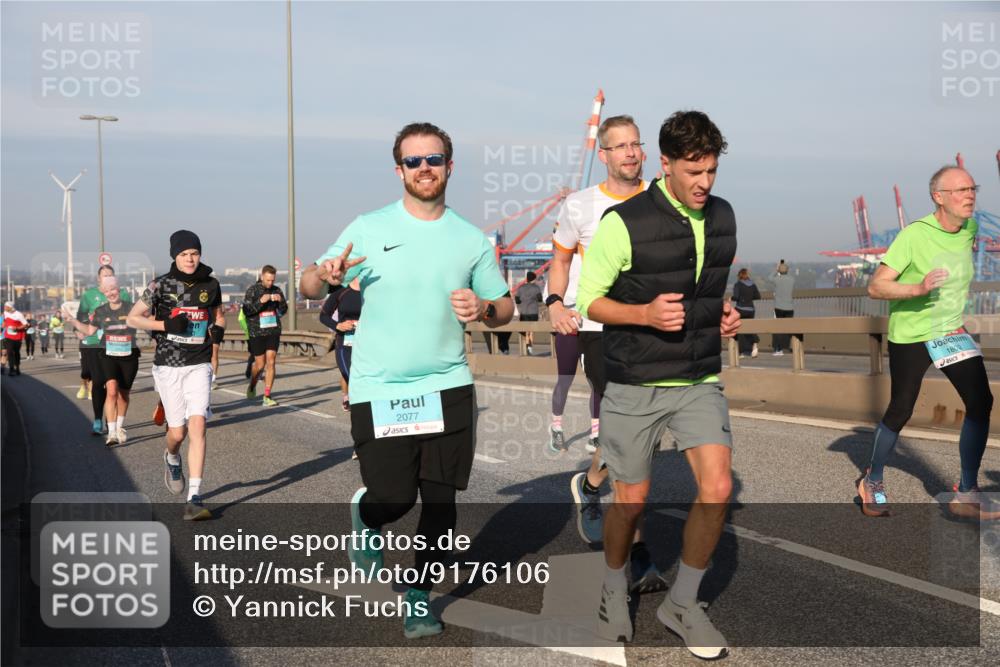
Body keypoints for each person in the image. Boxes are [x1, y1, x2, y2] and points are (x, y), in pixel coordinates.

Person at [299, 122, 513, 639]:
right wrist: (323, 275)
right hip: (381, 387)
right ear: (399, 170)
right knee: (394, 498)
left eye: (433, 159)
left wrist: (484, 307)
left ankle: (418, 597)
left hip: (448, 385)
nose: (424, 169)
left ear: (449, 167)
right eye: (413, 162)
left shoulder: (469, 239)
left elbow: (504, 307)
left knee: (441, 506)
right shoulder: (369, 227)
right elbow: (308, 281)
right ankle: (365, 515)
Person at [577, 110, 740, 657]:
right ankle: (613, 585)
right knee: (632, 500)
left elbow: (706, 288)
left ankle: (684, 602)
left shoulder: (723, 217)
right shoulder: (623, 222)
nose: (704, 183)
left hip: (698, 375)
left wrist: (723, 312)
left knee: (717, 488)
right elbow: (589, 300)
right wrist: (644, 314)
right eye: (693, 171)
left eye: (711, 171)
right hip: (636, 379)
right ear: (664, 164)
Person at [858, 166, 997, 521]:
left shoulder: (971, 228)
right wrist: (917, 289)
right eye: (961, 190)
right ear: (939, 197)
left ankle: (966, 493)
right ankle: (872, 480)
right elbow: (876, 286)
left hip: (950, 331)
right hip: (912, 334)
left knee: (981, 402)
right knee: (901, 408)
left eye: (973, 188)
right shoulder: (913, 236)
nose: (970, 196)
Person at [128, 230, 225, 521]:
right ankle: (172, 457)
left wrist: (217, 332)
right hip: (169, 365)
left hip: (199, 363)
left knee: (198, 427)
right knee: (177, 433)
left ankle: (194, 497)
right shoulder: (160, 285)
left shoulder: (211, 284)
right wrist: (166, 324)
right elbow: (133, 317)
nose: (190, 259)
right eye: (184, 254)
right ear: (175, 256)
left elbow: (218, 314)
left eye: (194, 253)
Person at [66, 276, 140, 446]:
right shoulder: (100, 311)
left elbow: (147, 319)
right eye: (106, 291)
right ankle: (112, 433)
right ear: (104, 293)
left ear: (119, 290)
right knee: (112, 390)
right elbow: (90, 331)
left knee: (123, 394)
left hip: (129, 356)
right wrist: (73, 321)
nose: (110, 293)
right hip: (108, 354)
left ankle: (120, 427)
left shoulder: (131, 308)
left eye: (113, 289)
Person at [76, 265, 126, 434]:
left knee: (114, 386)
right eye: (104, 276)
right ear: (99, 279)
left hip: (117, 343)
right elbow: (81, 316)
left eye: (111, 275)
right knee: (98, 382)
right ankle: (98, 419)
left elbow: (133, 314)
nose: (108, 278)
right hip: (94, 344)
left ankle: (111, 421)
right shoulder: (89, 295)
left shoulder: (123, 293)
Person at [242, 265, 288, 407]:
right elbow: (246, 310)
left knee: (271, 361)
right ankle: (253, 384)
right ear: (262, 277)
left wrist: (280, 302)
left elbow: (283, 310)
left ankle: (267, 395)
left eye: (272, 280)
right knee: (260, 364)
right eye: (268, 280)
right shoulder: (253, 290)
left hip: (273, 330)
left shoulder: (277, 290)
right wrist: (261, 301)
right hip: (257, 332)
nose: (270, 283)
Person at [320, 277, 363, 412]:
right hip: (345, 342)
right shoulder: (341, 292)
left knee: (363, 377)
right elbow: (323, 316)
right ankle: (348, 397)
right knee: (349, 374)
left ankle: (361, 406)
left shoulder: (371, 290)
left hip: (367, 344)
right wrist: (338, 325)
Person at [732, 268, 760, 358]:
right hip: (751, 310)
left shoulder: (738, 284)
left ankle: (741, 352)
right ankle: (754, 344)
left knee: (739, 329)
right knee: (750, 327)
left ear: (739, 275)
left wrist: (731, 298)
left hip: (740, 309)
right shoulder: (752, 284)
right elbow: (758, 296)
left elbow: (736, 297)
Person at [514, 271, 543, 355]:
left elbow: (517, 300)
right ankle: (530, 348)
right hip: (533, 312)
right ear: (534, 279)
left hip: (524, 312)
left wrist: (523, 302)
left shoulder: (521, 288)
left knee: (525, 330)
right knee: (531, 330)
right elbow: (540, 299)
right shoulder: (536, 288)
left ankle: (526, 345)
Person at [770, 260, 795, 355]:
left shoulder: (777, 279)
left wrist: (776, 270)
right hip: (790, 307)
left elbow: (769, 278)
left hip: (779, 307)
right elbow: (788, 276)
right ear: (787, 270)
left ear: (779, 271)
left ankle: (778, 349)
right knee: (788, 328)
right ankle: (787, 347)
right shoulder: (792, 280)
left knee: (779, 328)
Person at [2, 302, 27, 376]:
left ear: (10, 307)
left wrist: (17, 328)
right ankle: (11, 369)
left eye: (6, 307)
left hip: (17, 337)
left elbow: (25, 324)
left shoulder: (19, 314)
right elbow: (5, 320)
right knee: (9, 352)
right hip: (8, 336)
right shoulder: (5, 313)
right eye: (4, 306)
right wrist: (4, 323)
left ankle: (17, 367)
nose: (4, 308)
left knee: (16, 353)